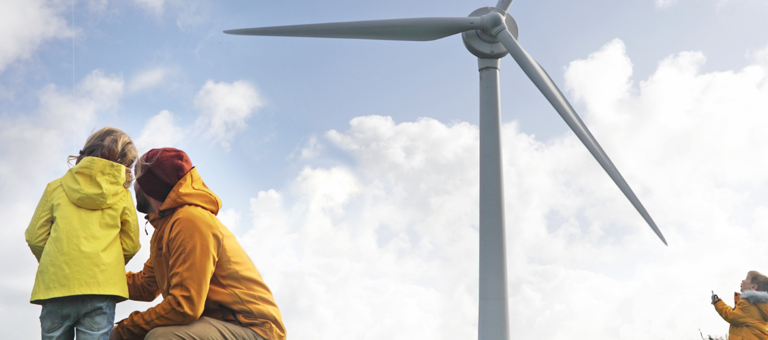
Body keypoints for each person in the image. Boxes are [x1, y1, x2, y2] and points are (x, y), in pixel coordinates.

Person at [110, 147, 286, 340]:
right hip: (221, 322)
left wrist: (122, 331)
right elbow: (146, 285)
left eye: (137, 178)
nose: (133, 186)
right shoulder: (166, 227)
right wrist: (97, 278)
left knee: (163, 337)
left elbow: (184, 306)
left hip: (252, 328)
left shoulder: (189, 220)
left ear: (151, 186)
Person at [25, 127, 142, 340]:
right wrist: (105, 264)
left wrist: (57, 261)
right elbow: (131, 244)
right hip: (101, 288)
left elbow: (35, 237)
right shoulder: (123, 196)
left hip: (56, 287)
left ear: (85, 153)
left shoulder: (55, 188)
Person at [712, 270, 768, 339]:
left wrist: (718, 302)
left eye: (746, 279)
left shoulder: (747, 304)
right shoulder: (762, 306)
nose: (743, 281)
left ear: (753, 287)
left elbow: (731, 315)